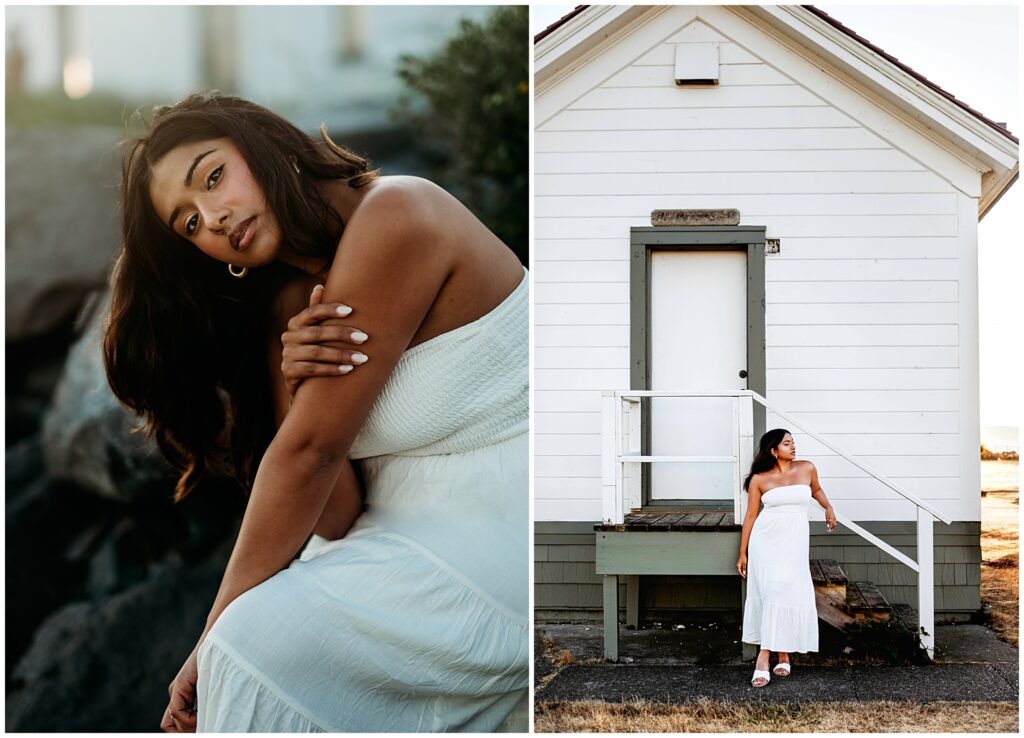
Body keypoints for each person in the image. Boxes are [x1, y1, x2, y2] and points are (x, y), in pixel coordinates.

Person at [103, 92, 528, 731]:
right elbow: (338, 511)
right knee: (258, 644)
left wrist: (210, 636)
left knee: (248, 650)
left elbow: (311, 455)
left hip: (503, 526)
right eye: (188, 224)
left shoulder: (399, 213)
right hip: (392, 531)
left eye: (213, 178)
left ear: (262, 143)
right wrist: (289, 376)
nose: (213, 219)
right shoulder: (290, 306)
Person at [736, 429, 836, 687]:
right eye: (787, 443)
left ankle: (781, 652)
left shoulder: (807, 468)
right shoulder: (759, 479)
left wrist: (828, 507)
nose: (793, 447)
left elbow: (817, 490)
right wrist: (742, 552)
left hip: (794, 542)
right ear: (773, 450)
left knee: (785, 591)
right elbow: (750, 516)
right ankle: (766, 655)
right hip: (765, 541)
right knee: (771, 593)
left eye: (793, 442)